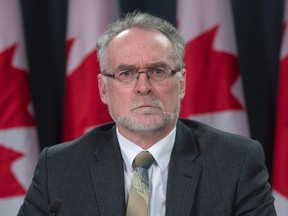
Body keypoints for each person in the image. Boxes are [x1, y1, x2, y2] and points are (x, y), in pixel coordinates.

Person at [18, 12, 276, 216]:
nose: (144, 87)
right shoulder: (60, 168)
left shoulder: (236, 162)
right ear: (103, 89)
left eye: (158, 71)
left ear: (182, 83)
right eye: (126, 73)